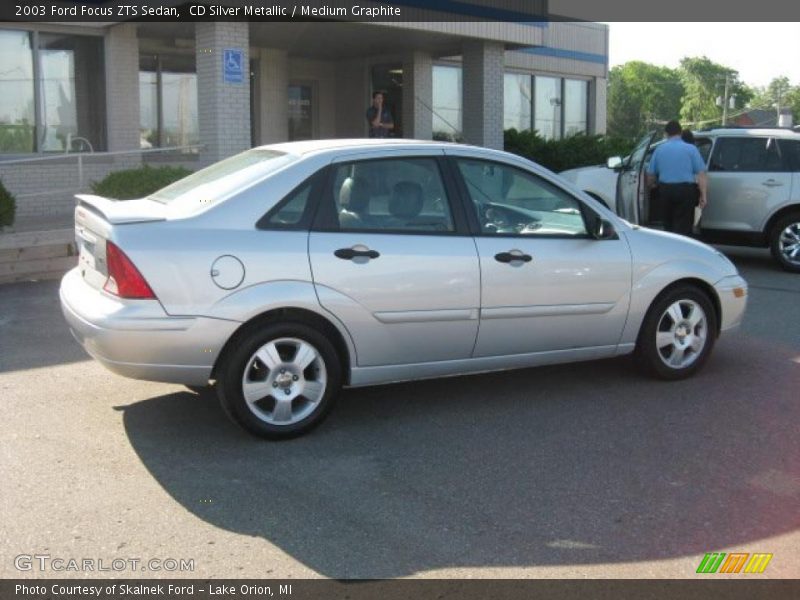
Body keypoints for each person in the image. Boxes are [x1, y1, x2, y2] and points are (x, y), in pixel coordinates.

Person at [646, 120, 707, 236]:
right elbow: (701, 174)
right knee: (684, 226)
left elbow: (650, 176)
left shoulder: (659, 150)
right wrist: (703, 195)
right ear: (680, 132)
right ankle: (682, 250)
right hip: (686, 191)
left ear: (666, 134)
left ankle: (670, 248)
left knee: (668, 225)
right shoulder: (691, 149)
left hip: (665, 191)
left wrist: (651, 186)